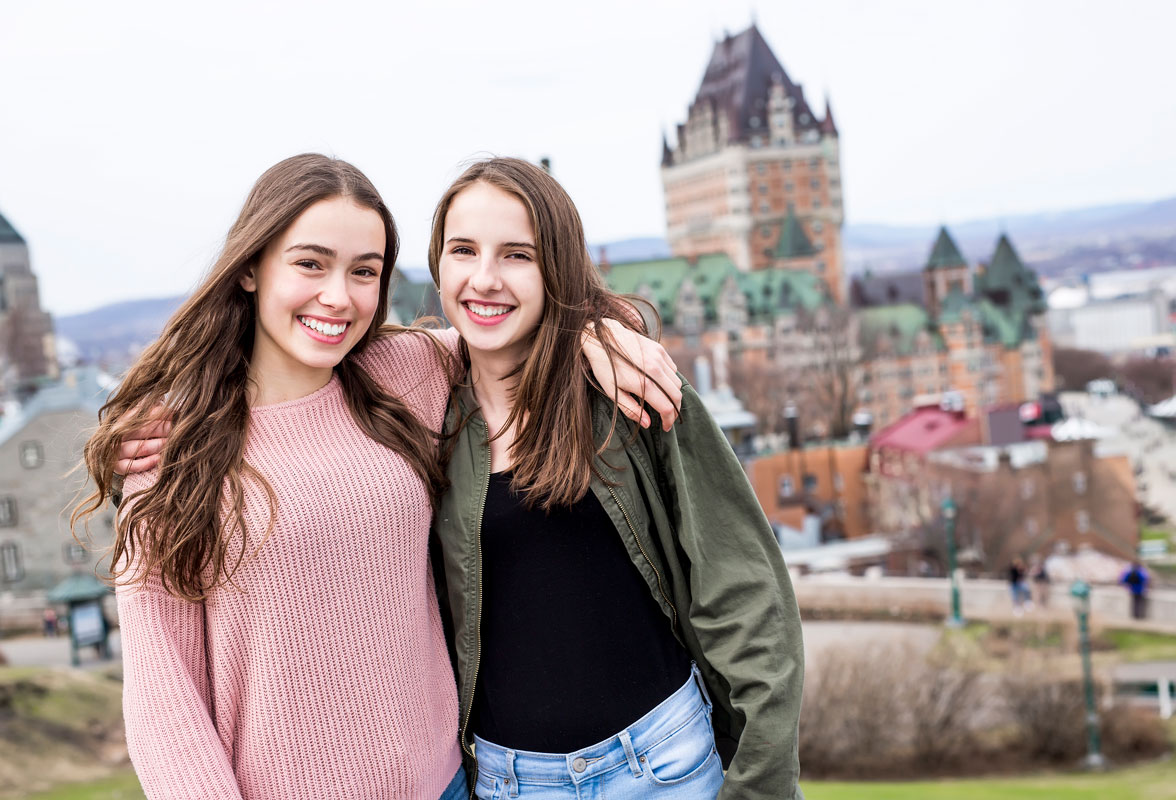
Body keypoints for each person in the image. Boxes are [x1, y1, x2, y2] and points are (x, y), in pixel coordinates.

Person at [78, 154, 681, 800]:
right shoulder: (172, 454)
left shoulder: (403, 377)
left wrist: (606, 332)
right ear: (251, 267)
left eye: (363, 271)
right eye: (310, 263)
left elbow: (518, 329)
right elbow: (165, 705)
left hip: (449, 785)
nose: (338, 296)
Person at [427, 158, 805, 799]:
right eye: (463, 250)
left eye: (518, 255)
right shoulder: (417, 405)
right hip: (511, 783)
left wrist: (764, 780)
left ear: (557, 269)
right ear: (437, 263)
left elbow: (745, 592)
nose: (484, 279)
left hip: (663, 765)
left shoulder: (632, 391)